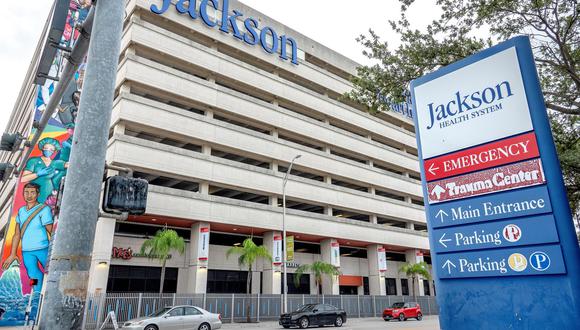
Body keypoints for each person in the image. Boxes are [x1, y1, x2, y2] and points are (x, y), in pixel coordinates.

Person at [2, 183, 54, 290]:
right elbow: (17, 234)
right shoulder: (21, 211)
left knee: (51, 271)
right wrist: (12, 254)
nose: (29, 195)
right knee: (33, 274)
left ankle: (51, 293)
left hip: (43, 248)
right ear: (23, 193)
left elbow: (51, 230)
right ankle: (36, 294)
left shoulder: (44, 209)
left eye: (32, 192)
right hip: (27, 251)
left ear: (38, 194)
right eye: (26, 192)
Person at [21, 138, 67, 203]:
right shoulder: (33, 161)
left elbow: (68, 164)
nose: (48, 151)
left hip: (50, 195)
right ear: (42, 148)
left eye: (51, 150)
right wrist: (38, 174)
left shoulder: (54, 163)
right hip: (35, 193)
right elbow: (23, 179)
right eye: (46, 148)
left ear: (54, 151)